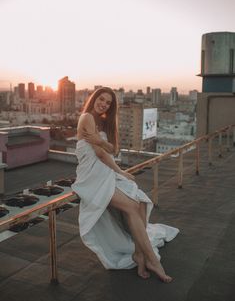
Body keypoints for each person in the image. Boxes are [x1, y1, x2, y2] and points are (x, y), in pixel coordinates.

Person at [72, 87, 179, 282]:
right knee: (131, 206)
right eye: (101, 99)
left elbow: (113, 150)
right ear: (94, 98)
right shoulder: (87, 117)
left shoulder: (104, 122)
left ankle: (139, 254)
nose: (103, 103)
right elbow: (101, 152)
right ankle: (153, 260)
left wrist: (118, 169)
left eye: (108, 102)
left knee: (140, 203)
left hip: (104, 172)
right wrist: (118, 168)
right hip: (92, 177)